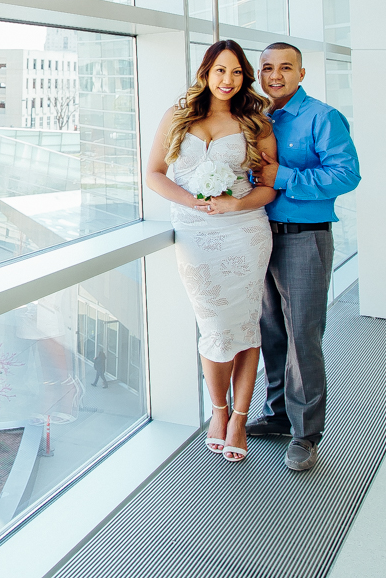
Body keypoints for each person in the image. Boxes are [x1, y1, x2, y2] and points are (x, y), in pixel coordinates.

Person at [146, 41, 278, 463]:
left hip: (244, 230)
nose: (228, 80)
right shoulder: (178, 115)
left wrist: (235, 203)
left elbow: (269, 185)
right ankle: (218, 410)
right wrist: (190, 202)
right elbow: (153, 173)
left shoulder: (254, 122)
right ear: (205, 72)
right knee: (215, 326)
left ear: (245, 77)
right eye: (221, 71)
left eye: (237, 72)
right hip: (195, 235)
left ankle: (238, 418)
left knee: (245, 324)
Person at [246, 43, 361, 472]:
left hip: (303, 238)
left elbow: (346, 174)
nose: (275, 75)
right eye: (267, 68)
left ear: (302, 73)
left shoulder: (322, 117)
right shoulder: (256, 119)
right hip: (259, 237)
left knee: (303, 338)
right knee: (271, 333)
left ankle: (306, 434)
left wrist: (285, 176)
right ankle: (278, 415)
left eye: (285, 68)